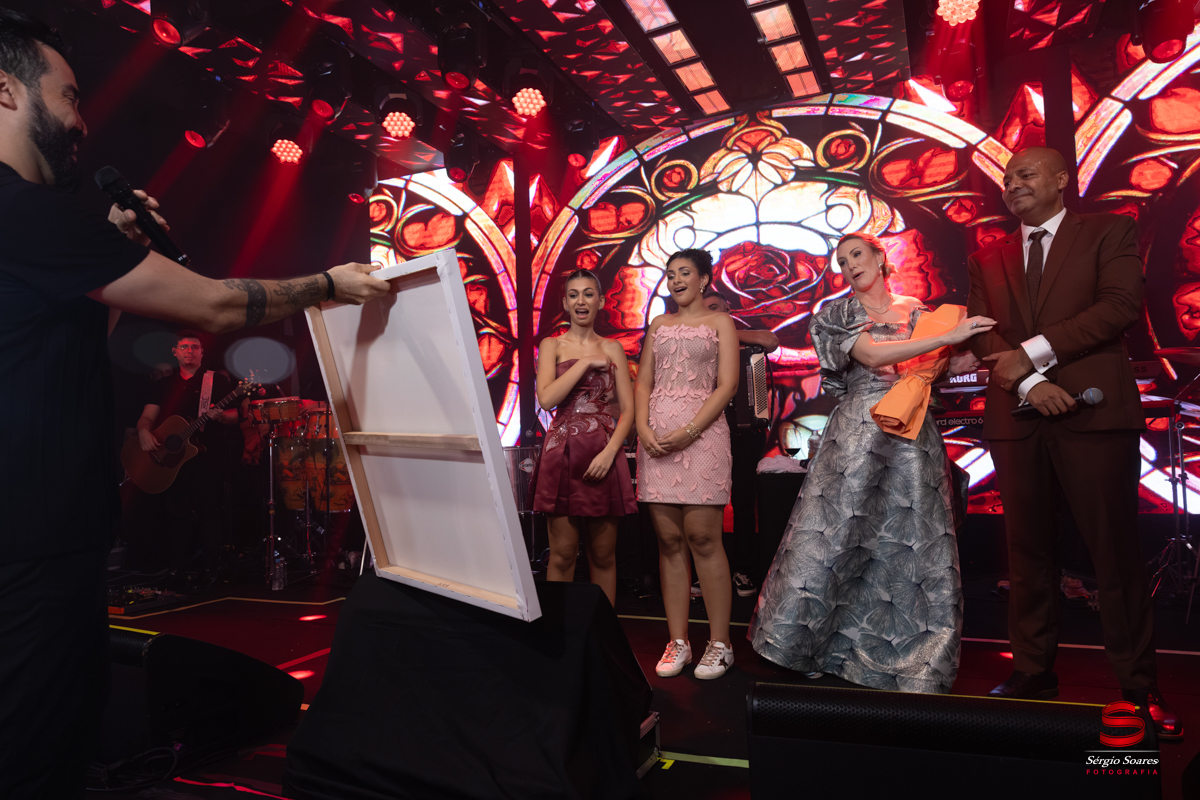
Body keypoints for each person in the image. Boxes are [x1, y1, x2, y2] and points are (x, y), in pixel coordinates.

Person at [0, 10, 390, 798]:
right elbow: (214, 304)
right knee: (37, 744)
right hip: (36, 537)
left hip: (41, 529)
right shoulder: (25, 212)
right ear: (7, 91)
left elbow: (73, 328)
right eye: (68, 96)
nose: (80, 120)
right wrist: (328, 284)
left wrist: (116, 245)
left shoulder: (32, 228)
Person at [966, 146, 1182, 737]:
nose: (1012, 183)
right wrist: (1032, 383)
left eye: (1025, 173)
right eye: (1007, 177)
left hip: (1096, 413)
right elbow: (982, 335)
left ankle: (1138, 686)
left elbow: (1120, 306)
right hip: (1018, 414)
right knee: (1026, 553)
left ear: (1062, 179)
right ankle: (1033, 671)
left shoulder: (1109, 231)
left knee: (1113, 552)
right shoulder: (987, 255)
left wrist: (1033, 353)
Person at [748, 232, 993, 693]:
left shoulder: (919, 311)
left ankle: (913, 662)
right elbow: (871, 355)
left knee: (913, 539)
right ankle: (804, 648)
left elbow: (946, 362)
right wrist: (947, 336)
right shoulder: (837, 314)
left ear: (880, 257)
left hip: (914, 429)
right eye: (842, 261)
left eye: (856, 254)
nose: (849, 265)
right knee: (836, 536)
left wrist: (965, 350)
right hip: (859, 432)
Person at [637, 249, 740, 680]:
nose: (676, 280)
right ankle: (678, 641)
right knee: (668, 541)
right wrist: (642, 428)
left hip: (703, 437)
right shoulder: (659, 324)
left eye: (684, 273)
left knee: (703, 538)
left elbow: (727, 385)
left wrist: (691, 431)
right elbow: (644, 380)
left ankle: (720, 644)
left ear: (704, 279)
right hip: (657, 441)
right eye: (670, 274)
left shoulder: (721, 323)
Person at [530, 268, 637, 606]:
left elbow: (628, 411)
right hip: (561, 453)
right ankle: (559, 632)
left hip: (603, 452)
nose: (581, 301)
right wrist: (586, 362)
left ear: (601, 301)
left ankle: (602, 632)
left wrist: (609, 454)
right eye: (574, 294)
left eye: (588, 294)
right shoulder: (551, 345)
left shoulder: (613, 348)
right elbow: (547, 399)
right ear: (565, 302)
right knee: (561, 554)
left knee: (603, 556)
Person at [130, 330, 240, 573]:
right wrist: (144, 431)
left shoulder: (215, 380)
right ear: (175, 352)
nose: (189, 351)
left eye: (194, 347)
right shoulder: (164, 384)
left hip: (206, 456)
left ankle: (211, 567)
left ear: (202, 352)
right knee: (175, 513)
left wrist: (221, 416)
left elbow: (234, 415)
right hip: (172, 460)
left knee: (209, 511)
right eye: (184, 347)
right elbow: (147, 417)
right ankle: (177, 568)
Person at [697, 288, 778, 600]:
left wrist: (726, 331)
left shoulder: (743, 338)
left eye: (718, 308)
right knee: (707, 504)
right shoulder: (698, 344)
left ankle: (742, 569)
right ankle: (706, 571)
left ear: (728, 310)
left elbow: (771, 341)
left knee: (744, 503)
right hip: (707, 434)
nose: (714, 314)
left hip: (745, 434)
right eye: (708, 309)